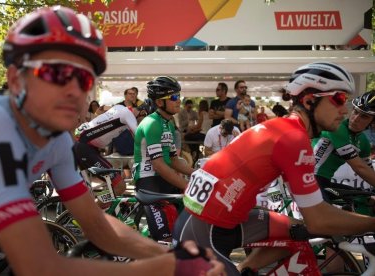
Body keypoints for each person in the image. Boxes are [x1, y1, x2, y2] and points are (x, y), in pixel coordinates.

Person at [0, 6, 224, 276]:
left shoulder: (56, 142)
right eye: (56, 74)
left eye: (84, 78)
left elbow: (97, 224)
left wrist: (172, 255)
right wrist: (165, 267)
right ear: (15, 79)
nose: (73, 90)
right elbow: (40, 265)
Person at [173, 61, 375, 275]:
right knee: (310, 228)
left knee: (296, 230)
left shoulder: (283, 128)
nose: (345, 110)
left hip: (215, 218)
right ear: (309, 100)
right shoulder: (293, 138)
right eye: (338, 99)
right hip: (202, 232)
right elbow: (319, 220)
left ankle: (244, 269)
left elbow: (311, 213)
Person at [133, 76, 195, 242]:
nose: (178, 101)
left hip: (162, 178)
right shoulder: (152, 123)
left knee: (187, 229)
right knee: (165, 241)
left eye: (179, 96)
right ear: (160, 103)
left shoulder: (168, 123)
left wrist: (198, 174)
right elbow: (159, 165)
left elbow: (174, 160)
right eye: (174, 97)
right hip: (148, 180)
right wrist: (189, 185)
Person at [74, 104, 146, 196]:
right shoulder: (128, 115)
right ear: (143, 113)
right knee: (119, 186)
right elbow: (140, 138)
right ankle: (96, 208)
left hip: (84, 146)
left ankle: (94, 204)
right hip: (85, 147)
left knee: (116, 182)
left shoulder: (120, 108)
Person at [313, 90, 375, 195]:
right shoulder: (337, 127)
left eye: (364, 116)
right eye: (355, 111)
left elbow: (368, 170)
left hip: (324, 181)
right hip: (308, 177)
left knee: (365, 198)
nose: (356, 119)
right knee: (324, 210)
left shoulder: (363, 141)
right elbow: (359, 167)